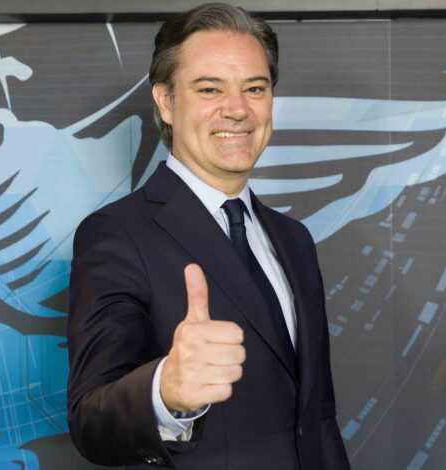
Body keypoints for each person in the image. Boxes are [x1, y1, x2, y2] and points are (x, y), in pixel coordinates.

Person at [67, 3, 350, 469]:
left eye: (254, 88)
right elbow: (90, 421)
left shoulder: (294, 239)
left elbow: (317, 417)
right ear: (166, 102)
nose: (237, 109)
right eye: (209, 89)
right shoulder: (116, 235)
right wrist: (165, 393)